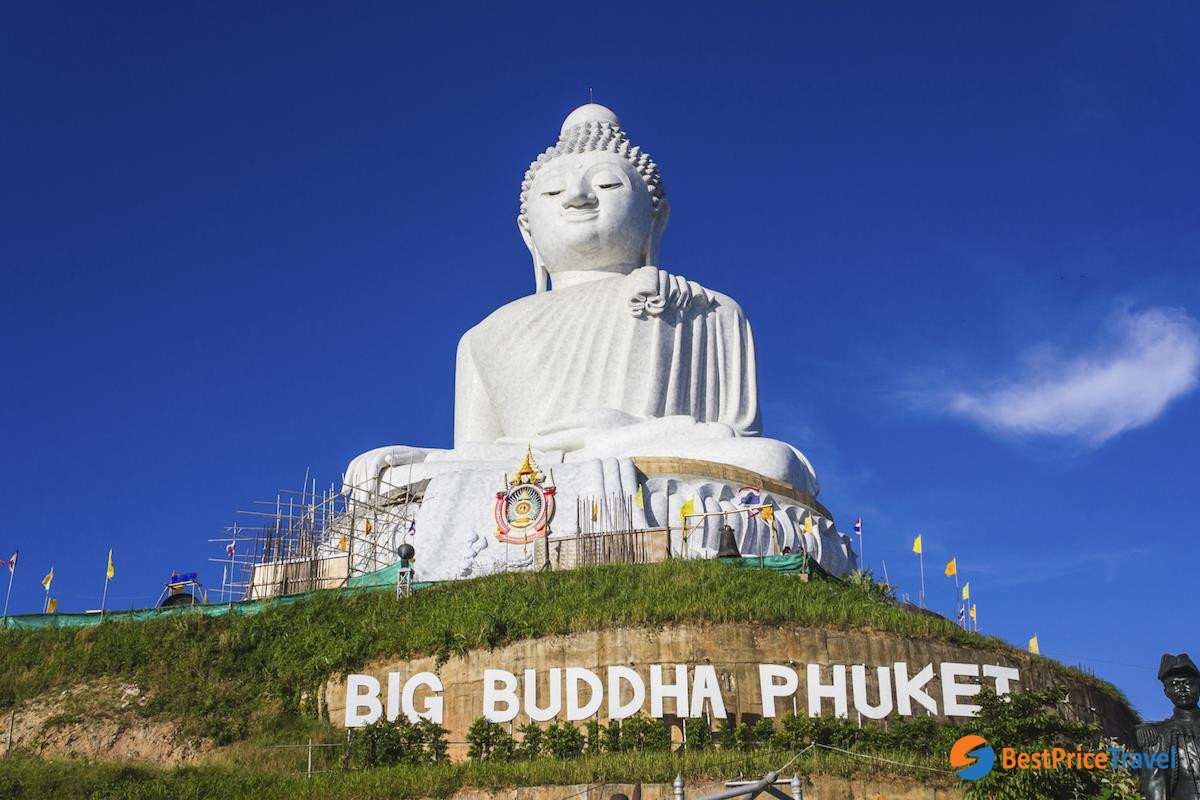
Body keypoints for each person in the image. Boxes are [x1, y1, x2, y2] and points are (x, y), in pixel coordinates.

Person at [1138, 653, 1200, 799]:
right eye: (1174, 685)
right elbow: (1155, 784)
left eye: (1187, 683)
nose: (1182, 689)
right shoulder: (1157, 735)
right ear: (1166, 692)